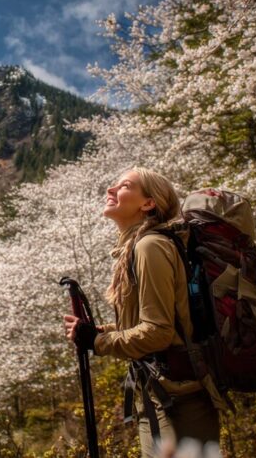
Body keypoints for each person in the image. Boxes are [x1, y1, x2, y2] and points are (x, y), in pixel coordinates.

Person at [63, 167, 221, 457]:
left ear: (148, 203)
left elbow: (159, 333)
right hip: (162, 393)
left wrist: (97, 343)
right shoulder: (139, 247)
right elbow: (160, 323)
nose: (110, 191)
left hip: (179, 399)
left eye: (123, 186)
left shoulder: (150, 247)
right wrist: (100, 332)